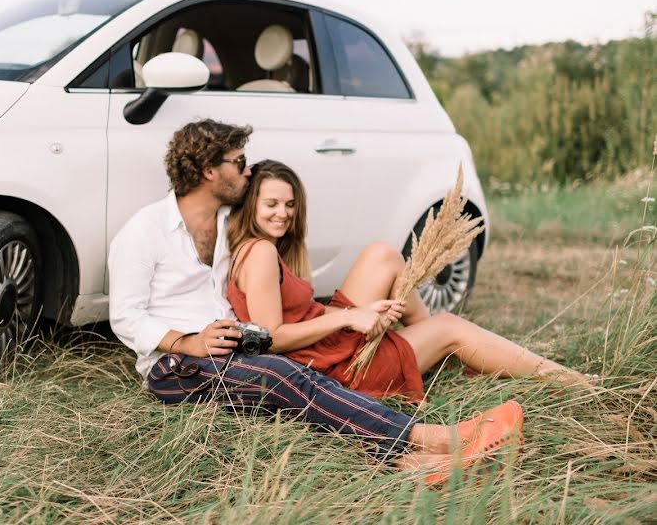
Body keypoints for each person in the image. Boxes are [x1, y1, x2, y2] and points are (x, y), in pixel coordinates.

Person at [108, 119, 523, 482]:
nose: (247, 170)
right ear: (208, 171)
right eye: (238, 162)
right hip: (177, 366)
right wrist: (186, 342)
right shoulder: (145, 230)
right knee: (284, 376)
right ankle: (431, 438)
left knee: (296, 393)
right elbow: (125, 316)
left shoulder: (226, 226)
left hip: (232, 351)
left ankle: (411, 465)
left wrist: (343, 313)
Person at [226, 159, 589, 401]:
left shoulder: (260, 249)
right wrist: (349, 317)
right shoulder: (259, 253)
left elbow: (297, 314)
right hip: (329, 370)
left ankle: (434, 354)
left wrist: (361, 313)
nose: (283, 213)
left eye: (289, 205)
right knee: (450, 326)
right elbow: (271, 337)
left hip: (321, 345)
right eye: (271, 204)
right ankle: (567, 381)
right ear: (251, 205)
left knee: (382, 254)